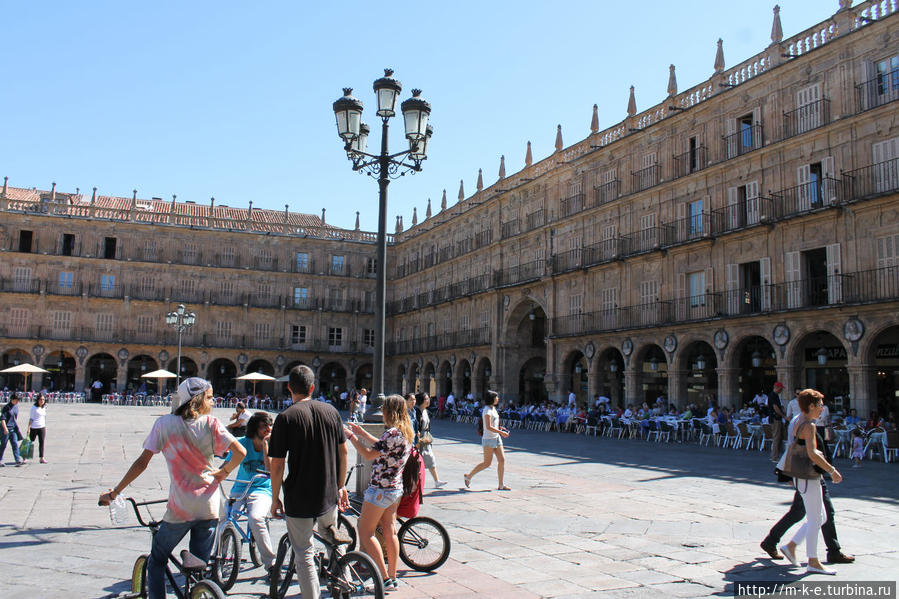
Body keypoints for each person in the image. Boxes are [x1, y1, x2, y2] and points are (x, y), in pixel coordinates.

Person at [98, 378, 246, 599]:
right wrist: (224, 472)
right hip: (210, 505)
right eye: (209, 397)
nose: (213, 401)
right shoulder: (211, 423)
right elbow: (240, 452)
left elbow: (141, 463)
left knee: (157, 559)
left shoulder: (164, 424)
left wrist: (115, 492)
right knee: (198, 567)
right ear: (197, 400)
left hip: (181, 507)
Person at [269, 365, 350, 599]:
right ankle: (344, 579)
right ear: (313, 388)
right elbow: (343, 451)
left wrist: (275, 498)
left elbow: (277, 464)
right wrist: (341, 485)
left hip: (299, 496)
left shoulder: (285, 418)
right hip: (329, 493)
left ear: (289, 388)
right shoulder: (332, 412)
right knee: (333, 538)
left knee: (304, 551)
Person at [761, 392, 855, 566]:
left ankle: (774, 542)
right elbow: (807, 451)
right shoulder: (806, 424)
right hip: (808, 473)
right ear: (811, 405)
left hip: (804, 473)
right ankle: (821, 555)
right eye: (820, 404)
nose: (822, 408)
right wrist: (831, 470)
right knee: (821, 515)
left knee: (801, 512)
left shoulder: (799, 421)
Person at [344, 395, 413, 590]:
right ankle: (392, 576)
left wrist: (351, 436)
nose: (381, 411)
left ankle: (383, 578)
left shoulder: (391, 433)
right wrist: (363, 433)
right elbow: (384, 447)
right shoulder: (405, 431)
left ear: (389, 411)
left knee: (366, 532)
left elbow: (368, 454)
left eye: (384, 409)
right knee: (390, 531)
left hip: (379, 490)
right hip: (394, 489)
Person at [226, 411, 276, 573]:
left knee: (256, 518)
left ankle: (271, 564)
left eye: (270, 426)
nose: (268, 429)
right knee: (225, 518)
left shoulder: (274, 445)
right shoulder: (242, 443)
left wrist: (266, 446)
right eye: (264, 426)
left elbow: (269, 468)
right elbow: (226, 465)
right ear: (255, 428)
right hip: (240, 487)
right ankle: (218, 556)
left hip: (262, 489)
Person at [464, 390, 511, 491]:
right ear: (492, 399)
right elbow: (488, 427)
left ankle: (501, 484)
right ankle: (469, 476)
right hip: (489, 439)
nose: (498, 399)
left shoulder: (493, 409)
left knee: (502, 460)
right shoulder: (487, 411)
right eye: (496, 397)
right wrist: (501, 432)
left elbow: (493, 424)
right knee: (487, 463)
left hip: (496, 438)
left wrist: (500, 429)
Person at [415, 393, 447, 488]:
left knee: (430, 458)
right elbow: (416, 426)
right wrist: (418, 439)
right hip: (420, 438)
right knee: (419, 461)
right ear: (421, 400)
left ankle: (437, 481)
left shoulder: (425, 411)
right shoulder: (417, 412)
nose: (428, 400)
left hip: (426, 438)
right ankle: (417, 481)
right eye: (426, 399)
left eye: (428, 399)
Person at [0, 394, 25, 466]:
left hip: (13, 429)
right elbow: (2, 419)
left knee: (14, 444)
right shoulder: (6, 408)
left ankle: (17, 460)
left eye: (18, 400)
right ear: (12, 399)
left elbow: (15, 418)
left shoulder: (16, 407)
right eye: (16, 400)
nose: (17, 402)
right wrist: (5, 429)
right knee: (3, 445)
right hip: (6, 429)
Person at [769, 382, 786, 461]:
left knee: (777, 436)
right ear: (777, 387)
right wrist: (783, 416)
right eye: (781, 388)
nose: (781, 390)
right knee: (776, 437)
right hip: (775, 418)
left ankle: (774, 455)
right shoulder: (773, 395)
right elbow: (775, 407)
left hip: (775, 418)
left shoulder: (774, 395)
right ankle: (774, 456)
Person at [29, 392, 48, 463]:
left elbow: (43, 417)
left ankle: (41, 458)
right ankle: (25, 456)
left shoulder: (44, 407)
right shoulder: (33, 408)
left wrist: (44, 426)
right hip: (34, 427)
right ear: (37, 400)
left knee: (42, 443)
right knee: (30, 442)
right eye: (40, 399)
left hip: (42, 427)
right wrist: (28, 428)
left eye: (43, 399)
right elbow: (31, 419)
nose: (42, 401)